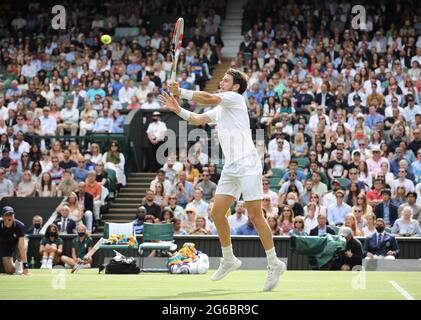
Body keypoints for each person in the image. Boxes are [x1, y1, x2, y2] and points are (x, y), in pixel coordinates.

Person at [165, 69, 285, 291]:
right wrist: (178, 109)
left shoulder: (235, 98)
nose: (221, 82)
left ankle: (274, 263)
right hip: (231, 166)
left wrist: (181, 91)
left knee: (255, 216)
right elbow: (197, 118)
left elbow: (208, 98)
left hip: (248, 164)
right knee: (217, 213)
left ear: (236, 86)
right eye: (221, 79)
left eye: (226, 80)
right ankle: (229, 259)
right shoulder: (222, 109)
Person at [0, 206, 30, 275]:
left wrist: (26, 268)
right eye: (7, 215)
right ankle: (15, 266)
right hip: (6, 243)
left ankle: (19, 261)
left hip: (18, 242)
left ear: (14, 216)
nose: (9, 217)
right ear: (2, 216)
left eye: (11, 214)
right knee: (9, 271)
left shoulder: (20, 226)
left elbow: (21, 247)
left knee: (24, 245)